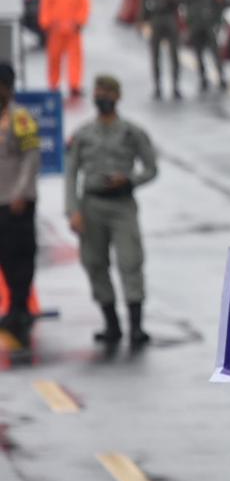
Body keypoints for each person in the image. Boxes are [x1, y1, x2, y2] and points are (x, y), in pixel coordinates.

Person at [65, 75, 158, 347]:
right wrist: (72, 211)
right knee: (94, 262)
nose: (101, 97)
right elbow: (71, 174)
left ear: (117, 96)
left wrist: (128, 179)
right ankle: (111, 324)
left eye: (107, 92)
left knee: (130, 261)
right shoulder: (83, 134)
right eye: (98, 91)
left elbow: (151, 168)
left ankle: (136, 326)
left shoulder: (132, 132)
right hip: (92, 204)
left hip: (122, 205)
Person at [0, 63, 40, 347]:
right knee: (4, 258)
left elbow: (31, 157)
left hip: (16, 203)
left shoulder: (21, 119)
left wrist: (21, 193)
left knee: (20, 259)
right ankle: (12, 308)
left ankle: (20, 309)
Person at [38, 0, 91, 98]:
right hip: (56, 31)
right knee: (54, 59)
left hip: (72, 31)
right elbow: (45, 8)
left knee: (75, 59)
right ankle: (53, 85)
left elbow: (84, 5)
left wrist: (79, 22)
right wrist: (46, 24)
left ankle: (74, 85)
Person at [141, 0, 184, 99]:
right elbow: (144, 4)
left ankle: (175, 85)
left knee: (174, 55)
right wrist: (143, 20)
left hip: (169, 18)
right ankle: (158, 86)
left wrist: (171, 0)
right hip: (157, 19)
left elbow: (179, 1)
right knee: (155, 55)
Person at [184, 0, 226, 91]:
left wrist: (218, 20)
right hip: (197, 24)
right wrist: (189, 22)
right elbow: (186, 5)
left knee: (215, 52)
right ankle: (203, 77)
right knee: (199, 53)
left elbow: (220, 3)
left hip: (209, 24)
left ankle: (221, 76)